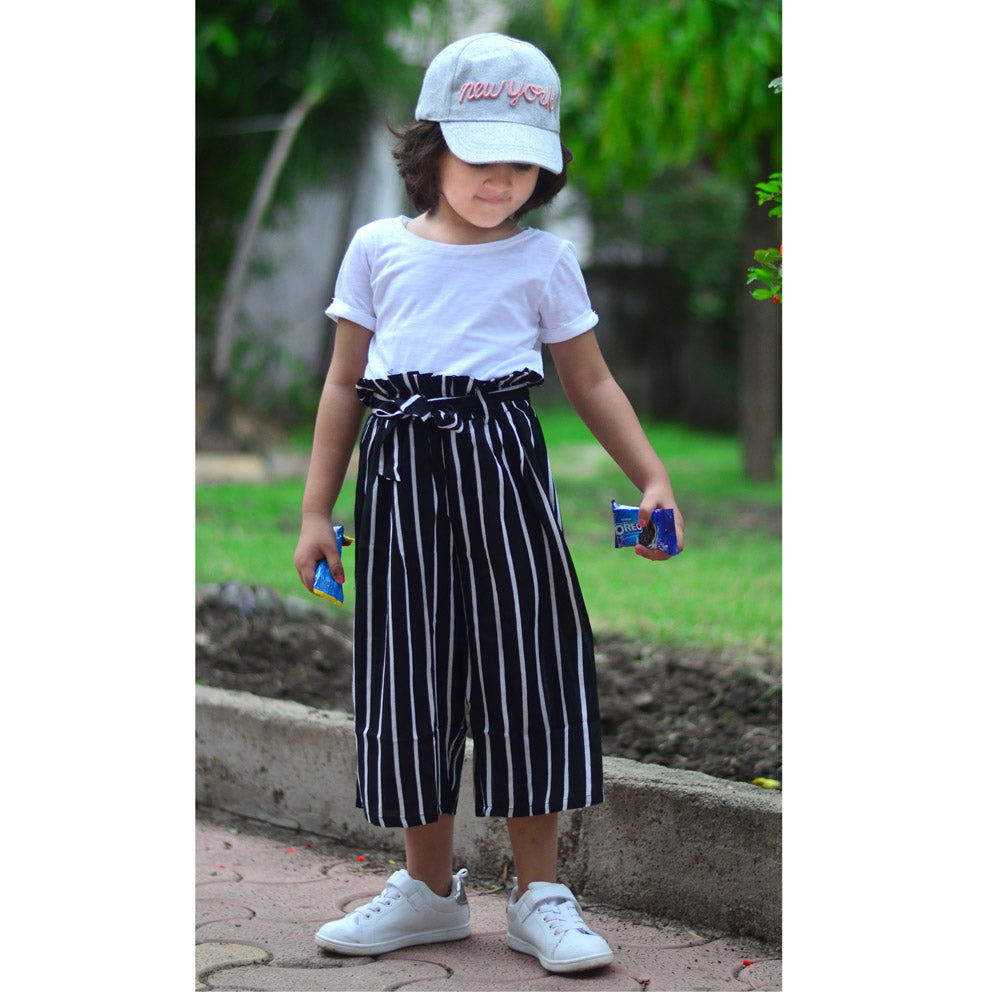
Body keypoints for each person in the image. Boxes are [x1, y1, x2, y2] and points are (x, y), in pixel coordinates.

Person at [293, 32, 685, 975]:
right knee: (409, 677)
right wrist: (315, 511)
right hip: (397, 481)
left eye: (522, 163)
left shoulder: (545, 262)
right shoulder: (376, 250)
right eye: (480, 157)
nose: (500, 180)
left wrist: (652, 477)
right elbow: (344, 386)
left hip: (505, 474)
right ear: (431, 147)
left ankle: (540, 895)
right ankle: (427, 893)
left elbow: (592, 385)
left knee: (529, 669)